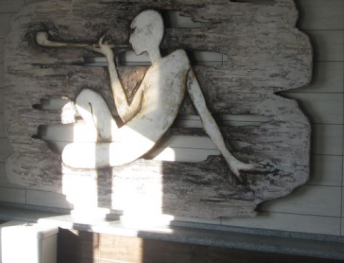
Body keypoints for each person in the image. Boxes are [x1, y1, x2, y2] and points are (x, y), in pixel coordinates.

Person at [61, 10, 264, 179]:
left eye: (134, 32)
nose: (130, 38)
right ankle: (98, 141)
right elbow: (126, 114)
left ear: (149, 33)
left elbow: (204, 113)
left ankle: (97, 145)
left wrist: (229, 158)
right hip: (120, 135)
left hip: (132, 146)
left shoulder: (179, 59)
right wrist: (109, 59)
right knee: (85, 96)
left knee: (68, 154)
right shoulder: (150, 74)